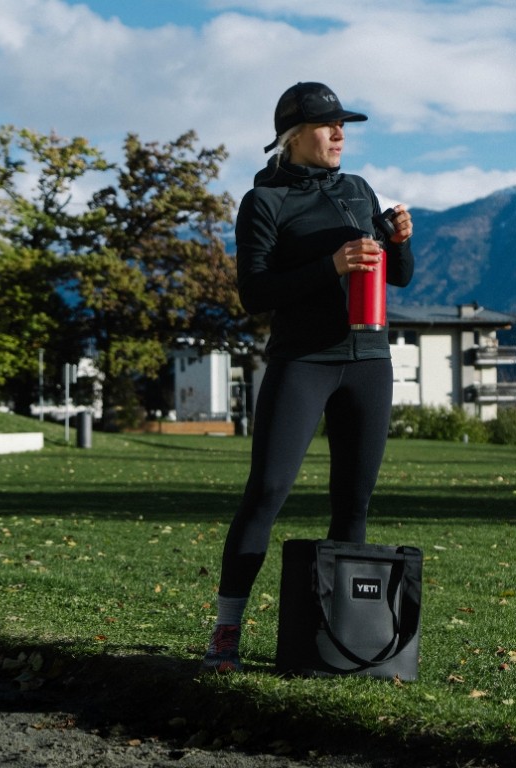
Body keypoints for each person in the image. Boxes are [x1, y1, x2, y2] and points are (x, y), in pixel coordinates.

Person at [202, 82, 414, 672]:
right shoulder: (264, 202)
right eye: (327, 125)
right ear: (294, 136)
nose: (339, 133)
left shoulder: (358, 190)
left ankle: (343, 643)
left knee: (353, 502)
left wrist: (399, 241)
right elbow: (254, 292)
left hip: (369, 362)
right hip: (302, 363)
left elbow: (397, 276)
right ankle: (226, 631)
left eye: (344, 124)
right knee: (267, 492)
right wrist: (331, 265)